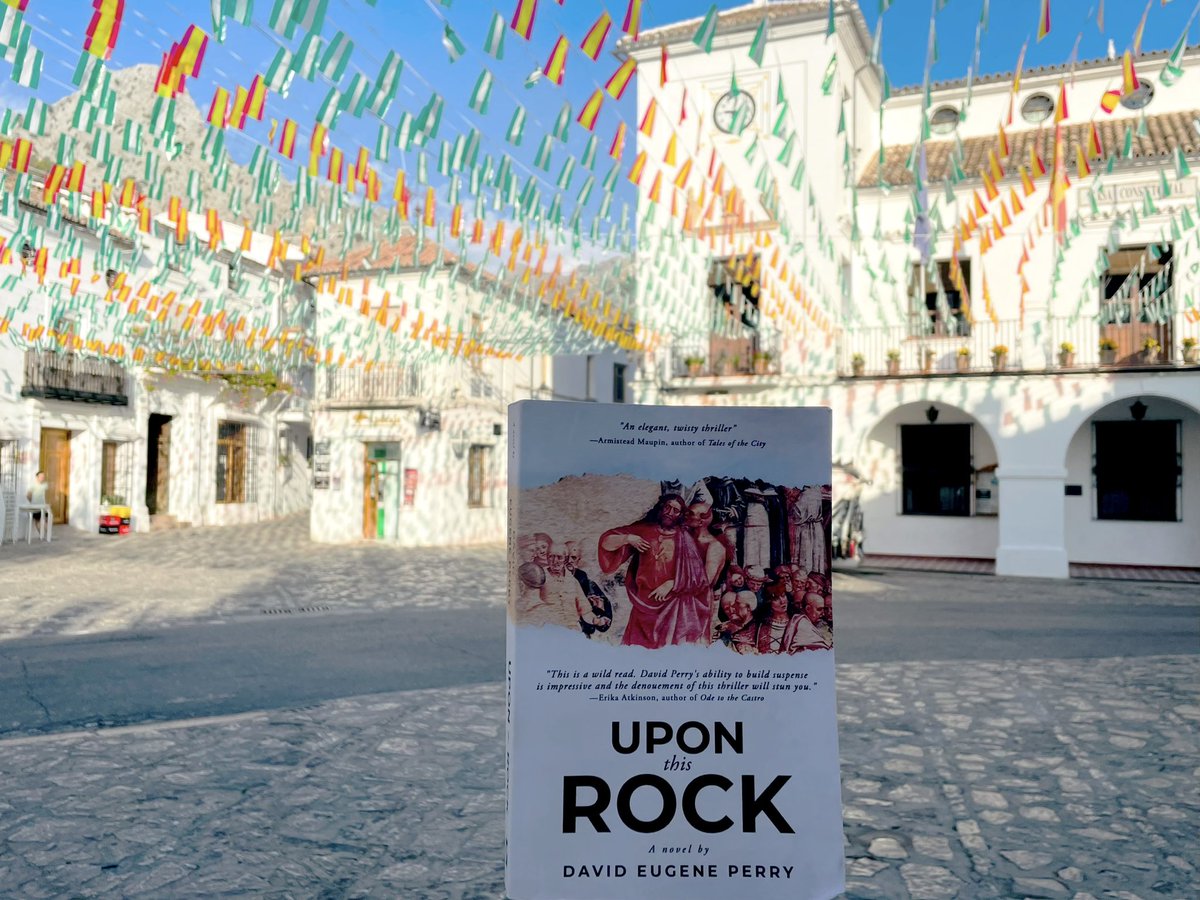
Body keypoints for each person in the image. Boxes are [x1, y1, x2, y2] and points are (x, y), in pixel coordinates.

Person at [598, 493, 711, 648]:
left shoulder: (685, 539)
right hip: (643, 604)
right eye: (667, 507)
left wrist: (672, 583)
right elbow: (605, 542)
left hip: (672, 607)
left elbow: (699, 578)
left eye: (675, 510)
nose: (670, 513)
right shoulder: (643, 530)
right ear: (661, 507)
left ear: (680, 515)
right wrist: (628, 538)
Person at [564, 541, 613, 638]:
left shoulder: (585, 581)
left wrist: (600, 617)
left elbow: (605, 618)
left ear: (578, 560)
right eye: (566, 557)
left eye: (573, 557)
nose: (569, 560)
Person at [27, 470, 49, 538]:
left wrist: (47, 503)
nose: (42, 478)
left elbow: (48, 494)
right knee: (37, 520)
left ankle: (48, 534)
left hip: (43, 506)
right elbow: (28, 495)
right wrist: (32, 503)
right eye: (41, 476)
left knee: (46, 519)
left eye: (43, 476)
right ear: (37, 477)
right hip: (35, 506)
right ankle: (41, 535)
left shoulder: (45, 485)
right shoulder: (33, 485)